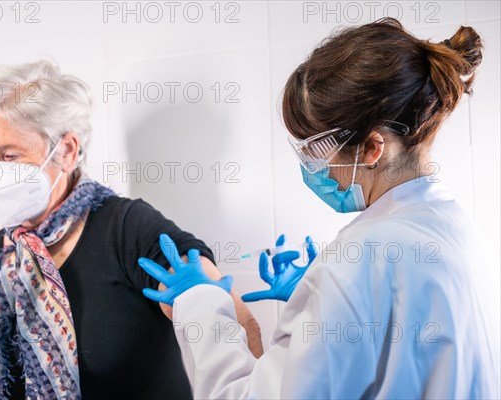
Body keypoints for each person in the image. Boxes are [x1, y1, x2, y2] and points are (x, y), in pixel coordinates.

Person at [137, 18, 501, 398]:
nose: (310, 166)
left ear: (373, 148)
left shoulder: (357, 261)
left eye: (315, 150)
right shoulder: (464, 236)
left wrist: (202, 302)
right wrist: (321, 306)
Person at [0, 60, 263, 400]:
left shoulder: (128, 229)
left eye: (9, 156)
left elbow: (238, 325)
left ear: (66, 150)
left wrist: (198, 300)